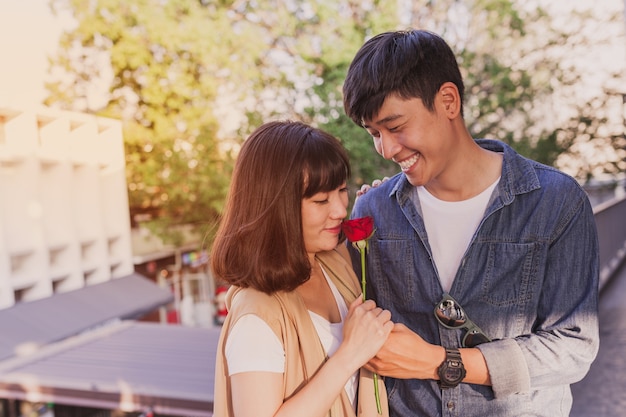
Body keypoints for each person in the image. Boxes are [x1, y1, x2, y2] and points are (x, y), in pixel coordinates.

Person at [342, 29, 599, 417]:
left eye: (394, 127)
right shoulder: (372, 212)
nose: (386, 150)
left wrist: (437, 361)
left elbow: (573, 347)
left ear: (448, 100)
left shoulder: (557, 202)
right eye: (374, 133)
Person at [211, 120, 394, 417]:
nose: (339, 209)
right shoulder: (256, 315)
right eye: (321, 200)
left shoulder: (334, 264)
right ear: (275, 207)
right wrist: (350, 354)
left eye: (341, 190)